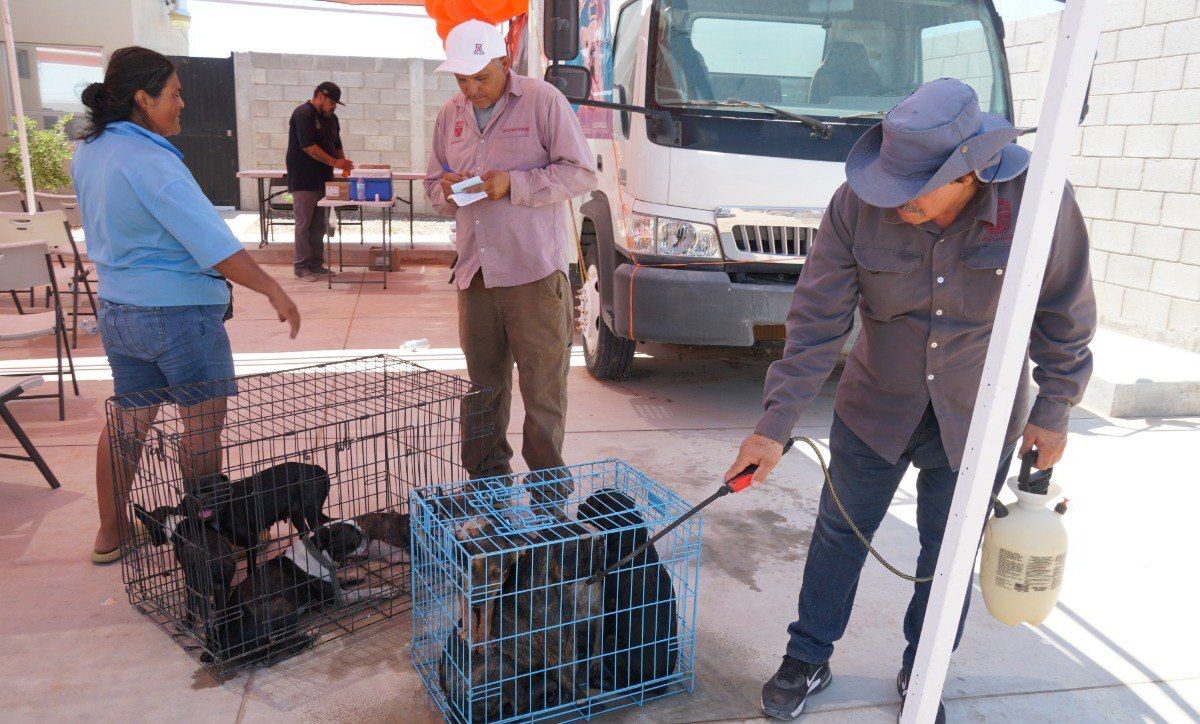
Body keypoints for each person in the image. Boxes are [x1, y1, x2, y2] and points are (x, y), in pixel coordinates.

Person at [725, 79, 1096, 721]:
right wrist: (774, 424)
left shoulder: (1039, 204)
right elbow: (816, 323)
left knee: (944, 553)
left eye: (911, 190)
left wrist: (1055, 406)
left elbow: (1064, 311)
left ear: (972, 172)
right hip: (875, 407)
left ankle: (921, 669)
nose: (892, 202)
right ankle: (808, 655)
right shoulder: (853, 206)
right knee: (841, 532)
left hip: (979, 417)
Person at [71, 46, 301, 564]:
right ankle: (212, 536)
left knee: (128, 423)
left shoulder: (90, 151)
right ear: (142, 98)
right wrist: (274, 290)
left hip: (119, 311)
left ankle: (110, 532)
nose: (182, 103)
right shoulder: (152, 161)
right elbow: (218, 248)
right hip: (178, 319)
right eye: (173, 94)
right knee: (201, 430)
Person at [424, 20, 597, 502]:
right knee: (483, 390)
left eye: (481, 77)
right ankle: (486, 488)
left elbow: (582, 173)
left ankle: (547, 497)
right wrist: (449, 190)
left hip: (534, 275)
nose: (471, 89)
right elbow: (432, 183)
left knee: (542, 391)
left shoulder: (543, 101)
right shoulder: (451, 114)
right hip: (476, 274)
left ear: (504, 62)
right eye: (461, 79)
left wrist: (513, 185)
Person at [286, 81, 353, 280]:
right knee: (304, 223)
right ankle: (301, 266)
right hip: (303, 178)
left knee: (320, 225)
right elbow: (309, 147)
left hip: (324, 178)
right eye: (332, 102)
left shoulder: (331, 118)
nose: (333, 107)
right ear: (321, 96)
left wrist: (344, 164)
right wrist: (335, 162)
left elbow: (337, 143)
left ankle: (316, 264)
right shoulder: (303, 114)